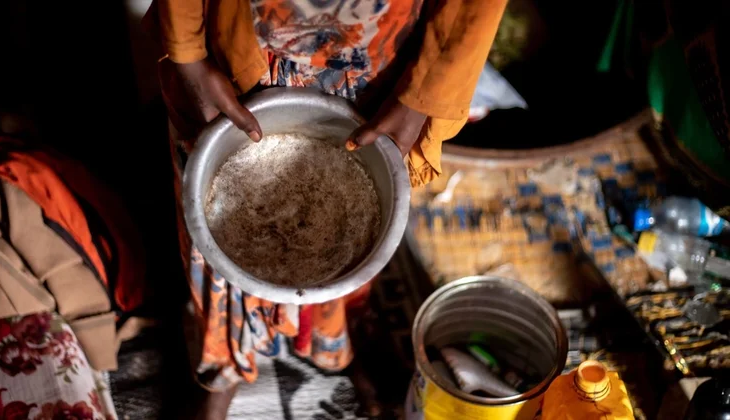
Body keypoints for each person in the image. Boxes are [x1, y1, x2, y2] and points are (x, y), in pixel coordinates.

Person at [145, 0, 507, 418]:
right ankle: (223, 367)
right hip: (232, 56)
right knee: (210, 252)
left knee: (351, 251)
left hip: (369, 65)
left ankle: (335, 345)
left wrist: (423, 94)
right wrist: (188, 54)